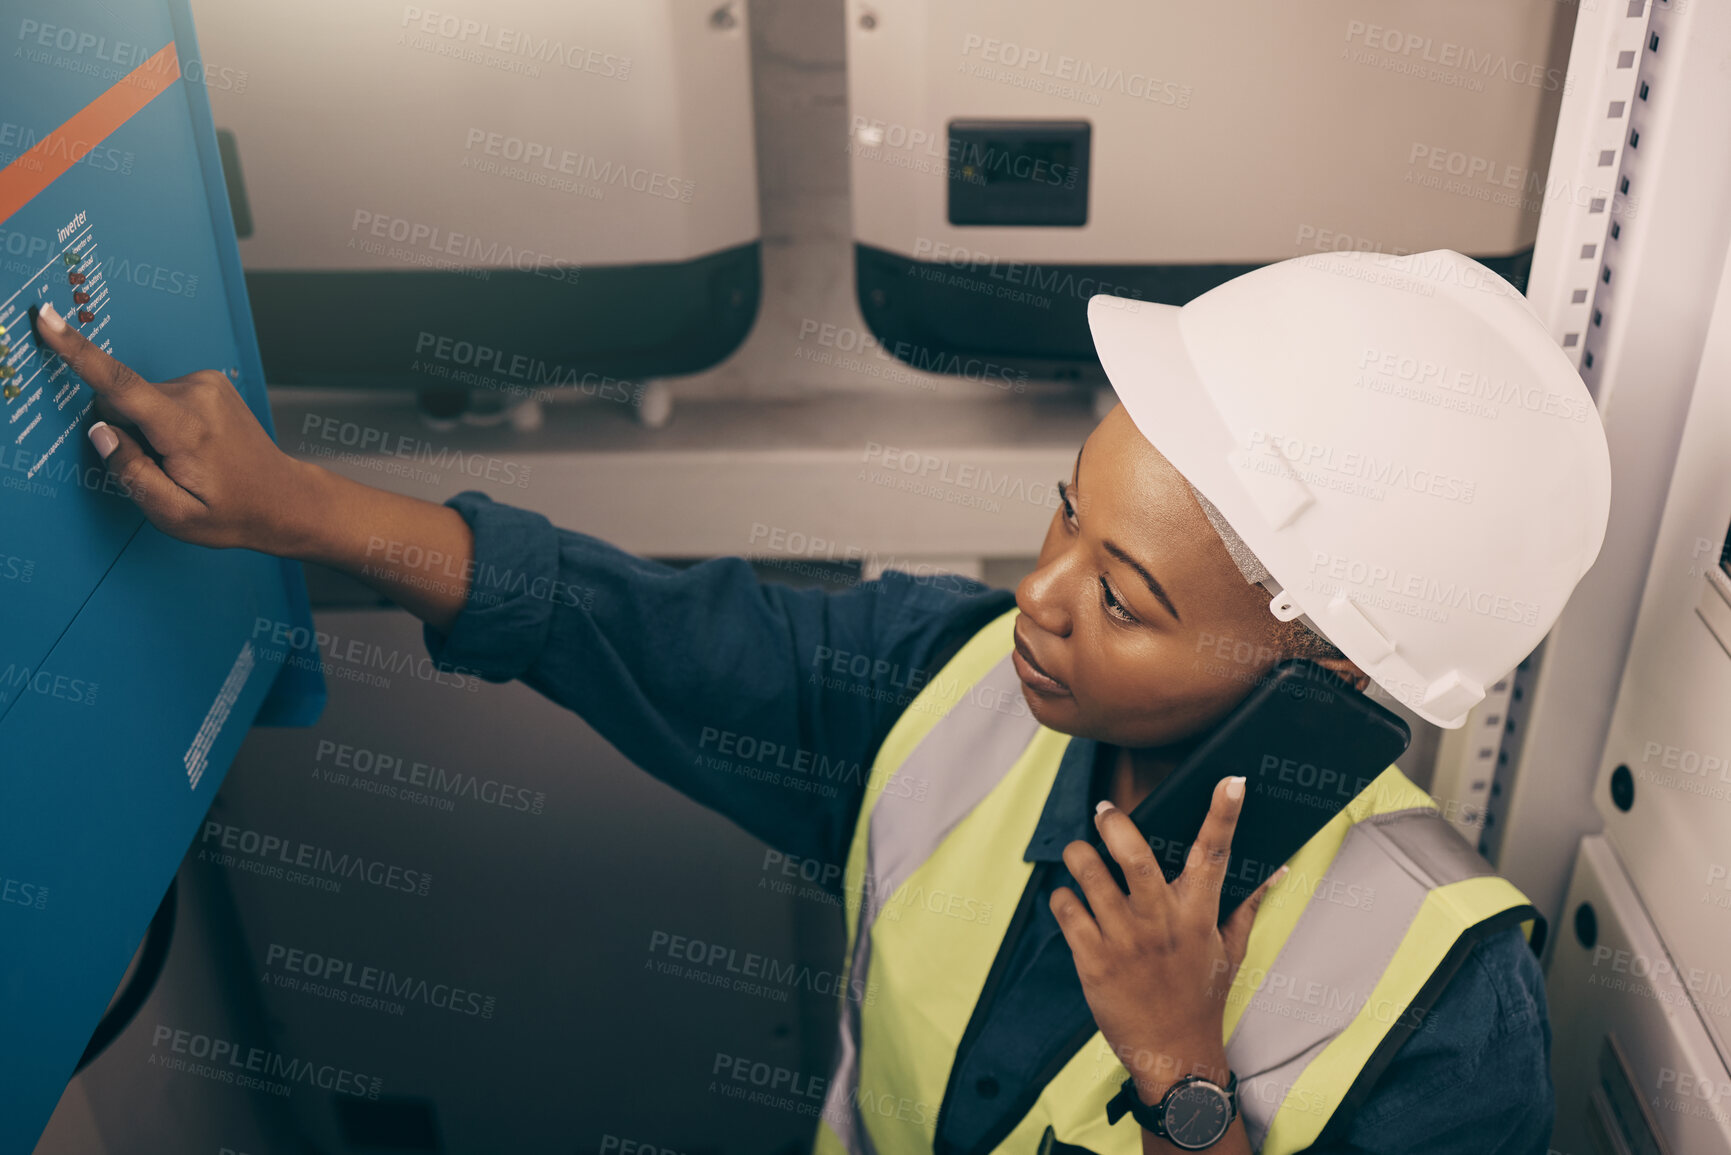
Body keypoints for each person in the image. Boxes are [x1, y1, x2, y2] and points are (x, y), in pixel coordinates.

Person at [31, 247, 1607, 1154]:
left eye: (1124, 599)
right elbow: (628, 627)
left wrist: (1186, 1085)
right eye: (1067, 515)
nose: (1038, 601)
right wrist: (298, 508)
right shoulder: (958, 687)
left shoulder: (1450, 1012)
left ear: (1327, 679)